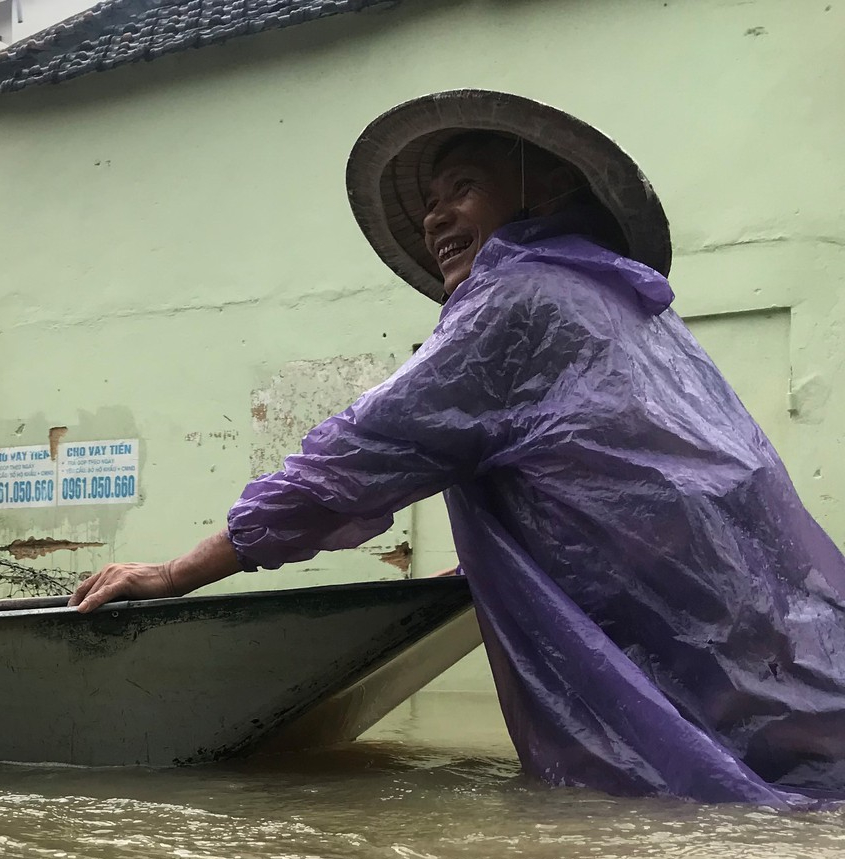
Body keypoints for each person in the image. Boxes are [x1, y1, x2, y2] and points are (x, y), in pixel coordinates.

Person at [71, 90, 845, 806]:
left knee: (717, 846)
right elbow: (614, 489)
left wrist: (177, 572)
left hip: (720, 650)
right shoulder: (623, 306)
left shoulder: (514, 302)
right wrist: (488, 564)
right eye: (431, 204)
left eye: (462, 190)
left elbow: (346, 463)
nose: (436, 219)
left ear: (537, 193)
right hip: (786, 641)